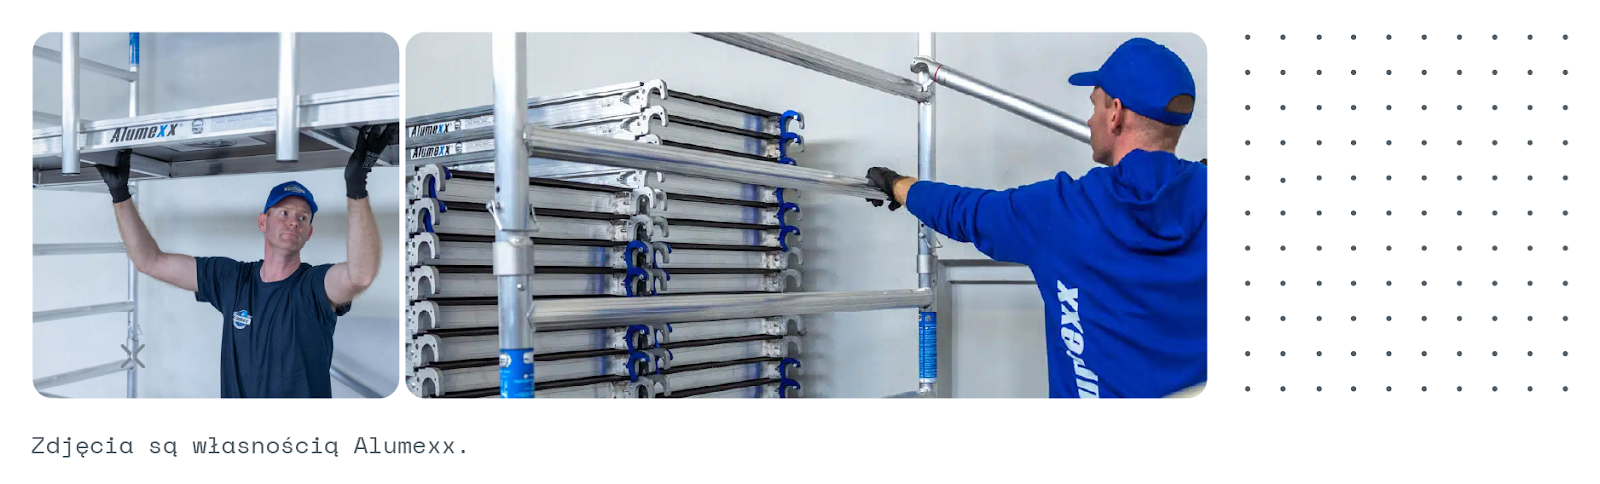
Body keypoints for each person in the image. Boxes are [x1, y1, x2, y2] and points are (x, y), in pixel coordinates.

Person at [864, 38, 1206, 398]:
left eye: (1094, 106)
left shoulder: (1065, 210)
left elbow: (965, 212)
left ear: (1115, 114)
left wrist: (898, 185)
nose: (1090, 120)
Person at [96, 124, 395, 398]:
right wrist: (120, 194)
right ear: (263, 222)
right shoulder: (232, 279)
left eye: (303, 218)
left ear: (309, 233)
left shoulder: (313, 286)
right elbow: (150, 261)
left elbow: (360, 275)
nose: (293, 222)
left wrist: (356, 187)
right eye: (284, 213)